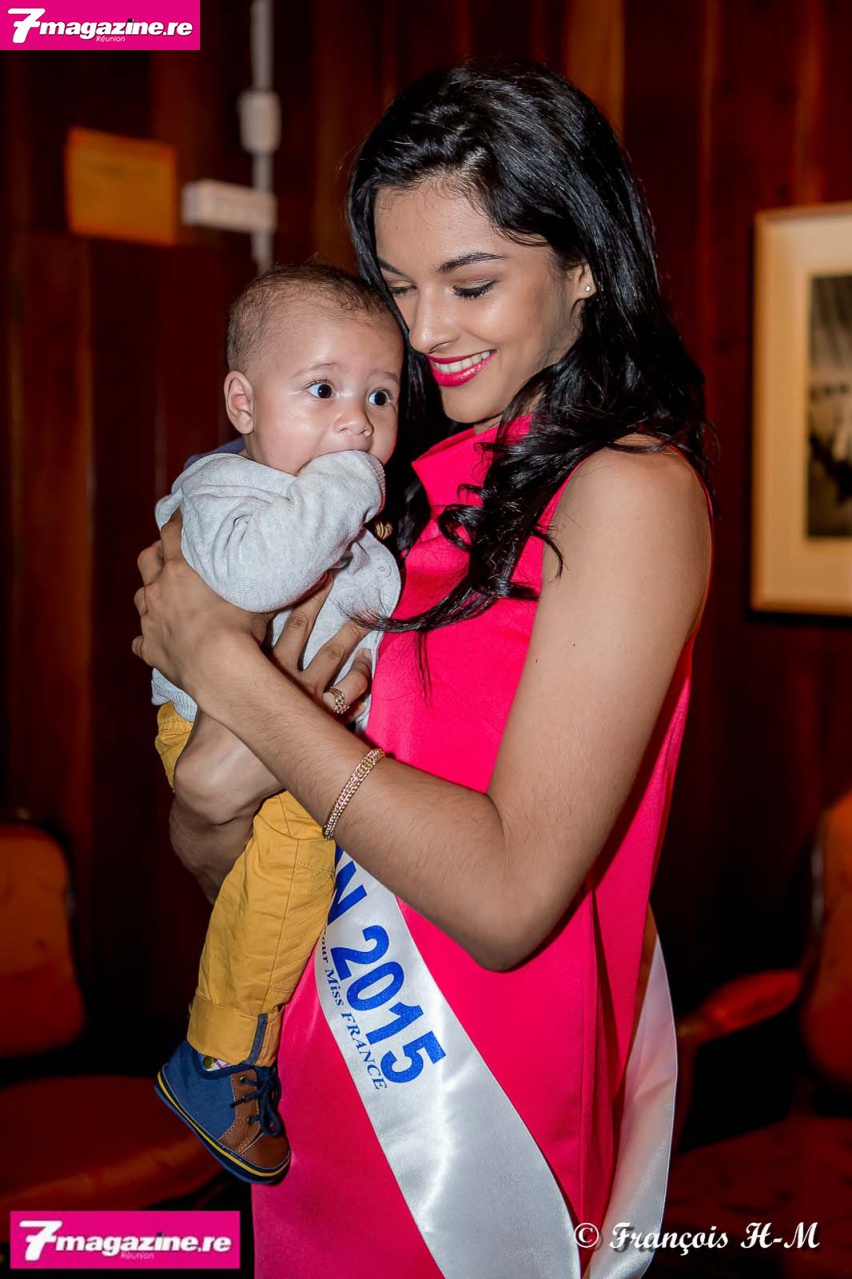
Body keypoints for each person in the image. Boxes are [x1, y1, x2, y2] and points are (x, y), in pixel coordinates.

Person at [134, 60, 714, 1279]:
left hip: (469, 1133)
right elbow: (224, 839)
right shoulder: (401, 493)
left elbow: (505, 904)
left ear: (584, 262)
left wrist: (226, 669)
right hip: (305, 1083)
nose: (428, 331)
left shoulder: (630, 496)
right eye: (399, 289)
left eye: (471, 282)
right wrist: (208, 789)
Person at [150, 262, 402, 1185]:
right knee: (297, 861)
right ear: (244, 403)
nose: (357, 422)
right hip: (218, 724)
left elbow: (372, 602)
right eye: (323, 390)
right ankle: (221, 1054)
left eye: (380, 395)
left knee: (278, 884)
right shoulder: (227, 488)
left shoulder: (327, 505)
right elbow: (264, 576)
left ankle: (238, 1043)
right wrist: (349, 483)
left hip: (279, 733)